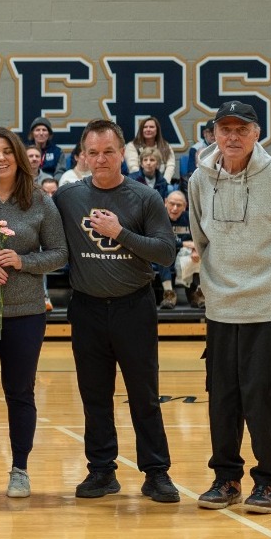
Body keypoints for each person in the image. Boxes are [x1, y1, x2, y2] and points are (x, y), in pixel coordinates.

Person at [187, 100, 271, 515]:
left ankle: (269, 482)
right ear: (213, 134)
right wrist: (218, 286)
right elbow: (201, 238)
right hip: (221, 310)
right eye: (225, 129)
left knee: (264, 400)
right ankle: (226, 478)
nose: (232, 137)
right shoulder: (199, 179)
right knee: (222, 400)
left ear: (256, 133)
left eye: (241, 129)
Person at [51, 119, 182, 504]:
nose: (101, 159)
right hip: (87, 309)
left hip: (134, 307)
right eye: (93, 152)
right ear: (82, 156)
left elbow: (166, 252)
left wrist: (119, 233)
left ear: (123, 153)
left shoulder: (145, 197)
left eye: (108, 151)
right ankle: (101, 471)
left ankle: (156, 473)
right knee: (95, 396)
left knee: (144, 395)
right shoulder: (68, 198)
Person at [0, 127, 66, 498]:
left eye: (7, 151)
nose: (1, 158)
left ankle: (20, 469)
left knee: (20, 391)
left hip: (26, 312)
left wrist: (23, 261)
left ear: (18, 156)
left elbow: (59, 253)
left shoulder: (38, 200)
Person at [125, 117, 178, 185]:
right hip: (139, 183)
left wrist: (164, 182)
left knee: (170, 188)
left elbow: (170, 166)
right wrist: (145, 184)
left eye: (151, 127)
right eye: (145, 127)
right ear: (141, 130)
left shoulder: (165, 146)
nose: (148, 129)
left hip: (161, 183)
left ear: (157, 130)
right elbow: (133, 168)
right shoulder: (132, 146)